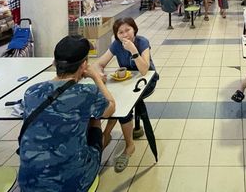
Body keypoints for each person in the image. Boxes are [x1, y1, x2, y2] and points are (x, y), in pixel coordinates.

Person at [18, 35, 116, 191]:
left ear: (54, 62)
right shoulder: (87, 92)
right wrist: (96, 77)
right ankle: (94, 153)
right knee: (95, 118)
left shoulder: (31, 91)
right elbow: (110, 107)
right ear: (84, 65)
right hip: (72, 182)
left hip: (28, 181)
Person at [96, 17, 158, 172]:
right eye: (120, 32)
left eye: (128, 30)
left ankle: (128, 145)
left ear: (134, 29)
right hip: (126, 82)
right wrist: (99, 72)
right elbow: (99, 63)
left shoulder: (142, 42)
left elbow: (144, 70)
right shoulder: (116, 45)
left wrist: (133, 51)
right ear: (116, 35)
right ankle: (107, 135)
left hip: (146, 82)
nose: (125, 35)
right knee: (114, 100)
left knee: (124, 105)